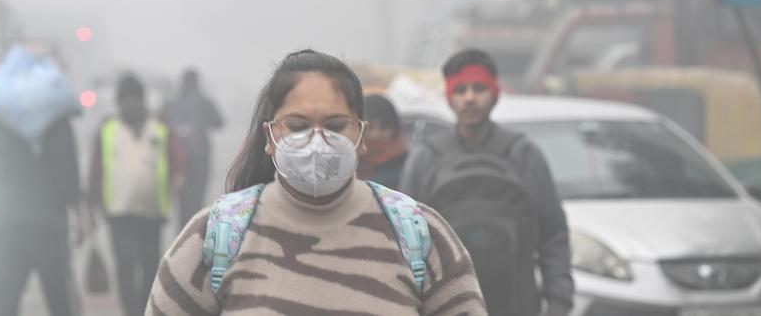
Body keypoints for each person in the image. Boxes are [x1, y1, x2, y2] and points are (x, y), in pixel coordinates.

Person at [148, 49, 486, 315]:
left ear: (361, 135)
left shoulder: (419, 234)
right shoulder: (214, 237)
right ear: (269, 137)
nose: (317, 141)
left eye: (335, 126)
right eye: (298, 126)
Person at [400, 48, 574, 316]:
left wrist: (559, 301)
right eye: (461, 90)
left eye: (479, 88)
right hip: (446, 306)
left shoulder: (523, 154)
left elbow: (553, 234)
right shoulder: (427, 158)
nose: (470, 98)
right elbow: (405, 238)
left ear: (495, 94)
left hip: (517, 304)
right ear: (449, 97)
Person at [0, 54, 84, 316]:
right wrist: (77, 212)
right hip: (48, 221)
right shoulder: (55, 116)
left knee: (4, 303)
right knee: (61, 300)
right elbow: (67, 166)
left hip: (6, 223)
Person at [88, 72, 180, 316]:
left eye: (134, 98)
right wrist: (91, 205)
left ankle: (144, 310)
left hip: (152, 212)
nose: (130, 104)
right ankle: (131, 311)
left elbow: (177, 162)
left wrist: (177, 182)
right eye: (126, 99)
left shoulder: (160, 129)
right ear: (119, 102)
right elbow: (96, 169)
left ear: (142, 100)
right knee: (125, 265)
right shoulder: (107, 130)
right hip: (118, 212)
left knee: (150, 267)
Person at [160, 67, 224, 229]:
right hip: (200, 158)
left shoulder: (170, 103)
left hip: (176, 159)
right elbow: (219, 122)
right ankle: (195, 234)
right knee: (197, 202)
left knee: (182, 203)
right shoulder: (204, 102)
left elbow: (159, 124)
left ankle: (183, 233)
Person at [356, 93, 408, 189]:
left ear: (395, 130)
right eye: (369, 127)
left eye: (384, 127)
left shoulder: (407, 168)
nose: (375, 135)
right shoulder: (347, 164)